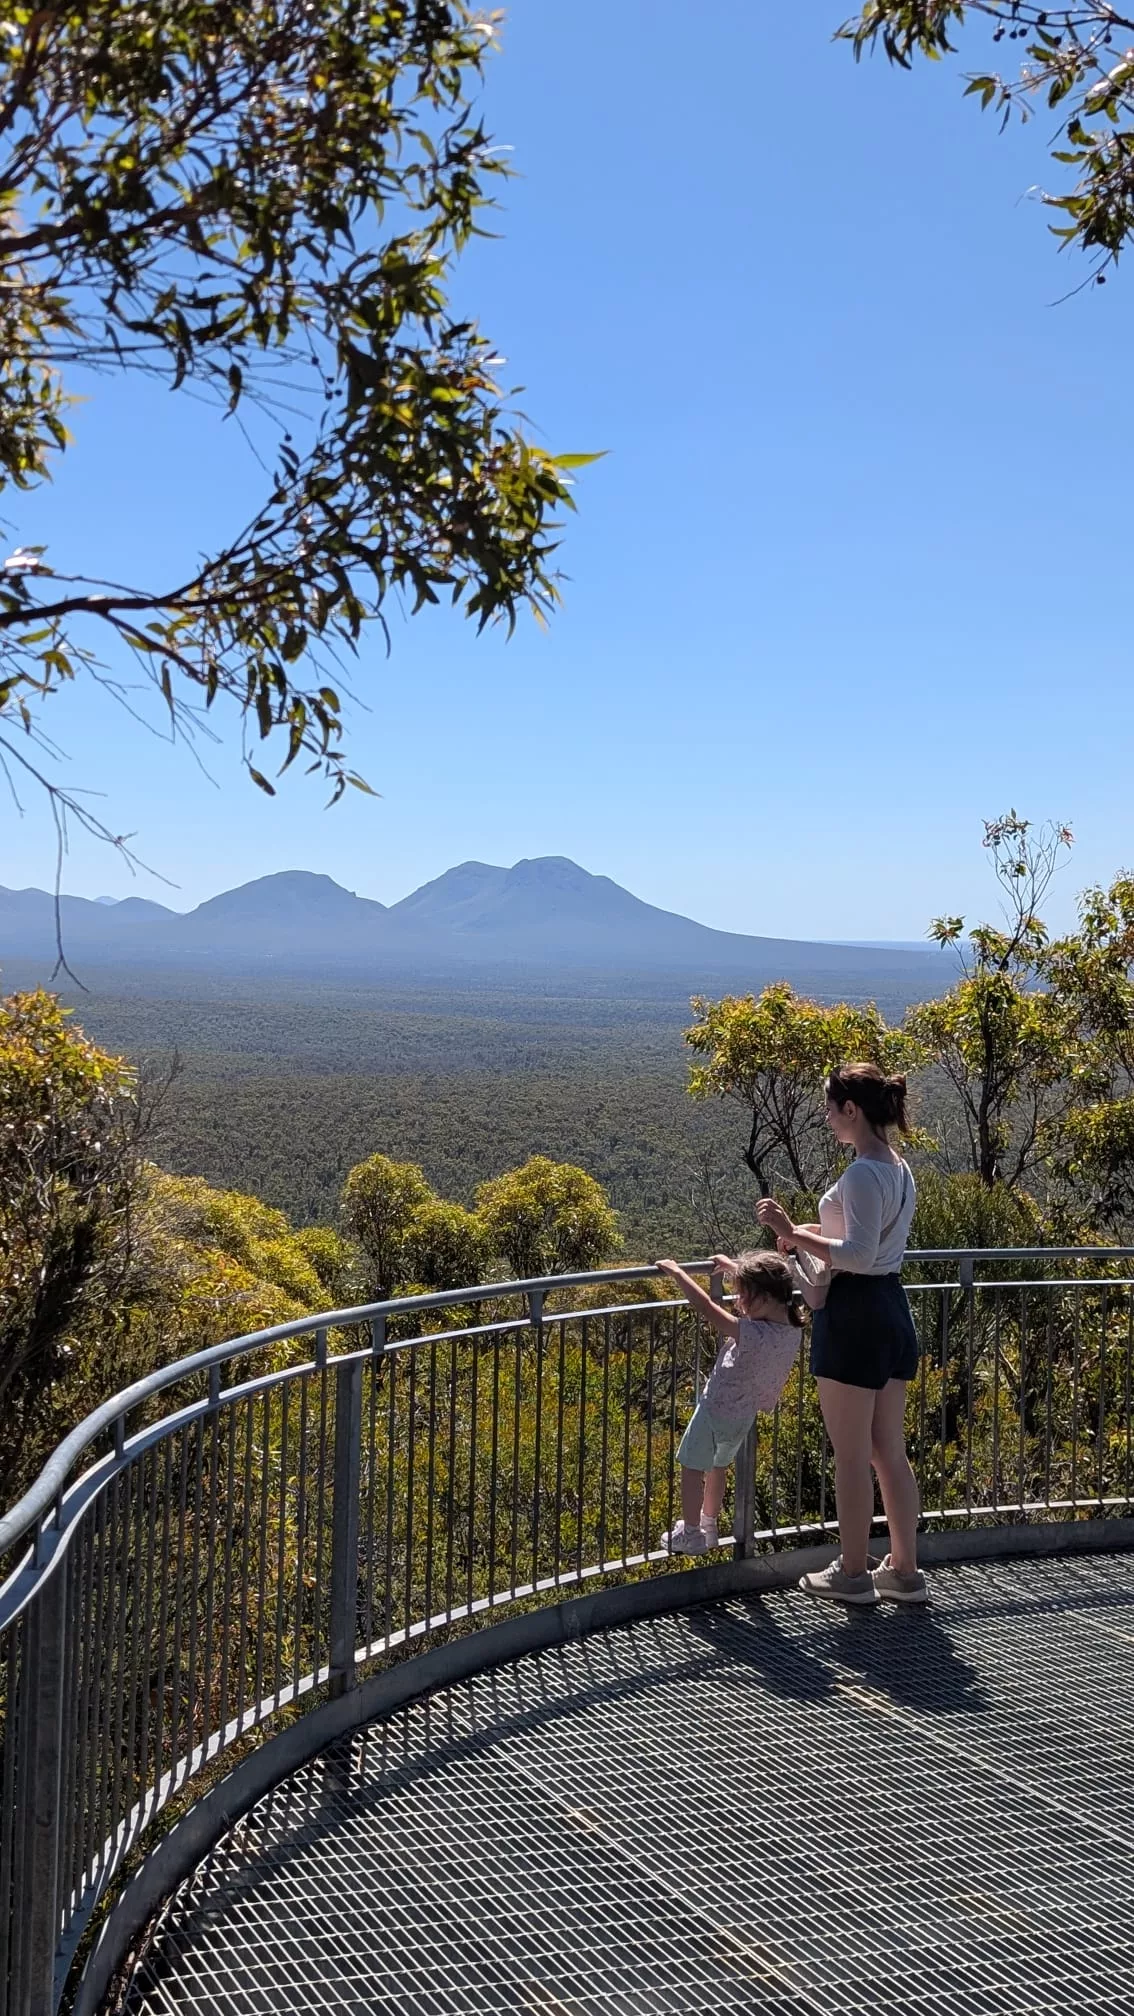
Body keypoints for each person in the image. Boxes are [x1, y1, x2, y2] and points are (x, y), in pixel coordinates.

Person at [757, 1062, 927, 1607]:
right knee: (888, 1452)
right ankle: (903, 1570)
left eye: (831, 1109)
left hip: (855, 1317)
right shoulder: (898, 1169)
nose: (828, 1119)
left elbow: (856, 1255)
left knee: (851, 1455)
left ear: (851, 1110)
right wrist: (803, 1236)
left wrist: (790, 1235)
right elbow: (871, 1246)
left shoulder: (861, 1173)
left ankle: (853, 1572)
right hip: (891, 1310)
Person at [655, 1250, 803, 1555]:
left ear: (762, 1297)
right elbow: (769, 1290)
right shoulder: (791, 1329)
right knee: (719, 1467)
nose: (739, 1303)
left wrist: (678, 1272)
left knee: (692, 1467)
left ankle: (691, 1533)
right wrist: (735, 1269)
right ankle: (709, 1525)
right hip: (742, 1417)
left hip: (714, 1411)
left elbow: (707, 1308)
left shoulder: (751, 1332)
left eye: (743, 1295)